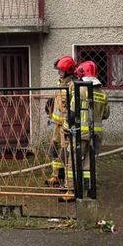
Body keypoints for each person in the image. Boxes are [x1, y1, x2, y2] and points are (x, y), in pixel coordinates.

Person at [72, 60, 110, 195]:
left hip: (81, 133)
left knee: (76, 159)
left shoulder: (80, 89)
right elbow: (106, 114)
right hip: (97, 134)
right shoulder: (102, 93)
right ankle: (90, 189)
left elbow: (72, 111)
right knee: (90, 161)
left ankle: (75, 189)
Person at [45, 55, 78, 188]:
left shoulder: (72, 85)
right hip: (57, 124)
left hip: (66, 125)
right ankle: (56, 175)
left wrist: (69, 124)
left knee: (65, 152)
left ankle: (67, 181)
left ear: (68, 71)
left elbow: (72, 106)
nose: (59, 72)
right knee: (54, 148)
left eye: (61, 70)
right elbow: (58, 99)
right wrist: (51, 102)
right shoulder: (61, 82)